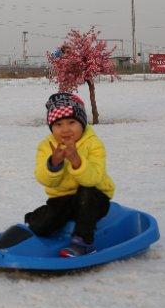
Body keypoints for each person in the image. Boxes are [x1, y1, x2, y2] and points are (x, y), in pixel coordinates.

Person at [24, 93, 115, 257]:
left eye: (71, 122)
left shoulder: (93, 143)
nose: (65, 129)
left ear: (82, 122)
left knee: (87, 194)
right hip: (64, 199)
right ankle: (36, 219)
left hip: (94, 199)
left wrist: (76, 161)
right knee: (44, 224)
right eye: (58, 124)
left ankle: (83, 242)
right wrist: (54, 163)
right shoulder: (47, 146)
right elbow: (43, 179)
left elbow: (94, 178)